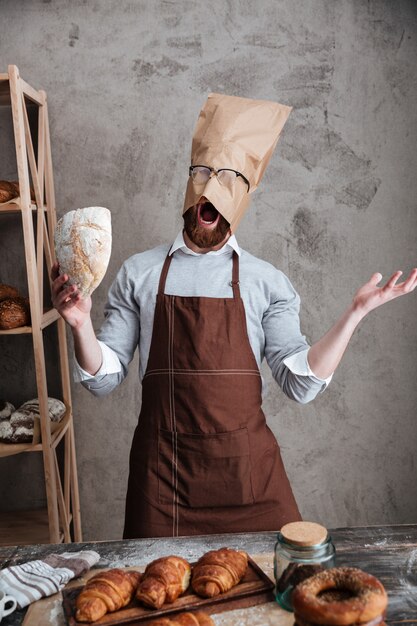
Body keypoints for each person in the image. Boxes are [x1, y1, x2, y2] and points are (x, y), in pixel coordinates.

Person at [51, 93, 417, 539]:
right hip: (162, 483)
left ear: (243, 197)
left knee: (278, 591)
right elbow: (105, 378)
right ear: (189, 182)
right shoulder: (140, 273)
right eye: (202, 173)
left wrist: (355, 314)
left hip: (250, 483)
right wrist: (80, 324)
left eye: (225, 179)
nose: (209, 188)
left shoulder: (267, 281)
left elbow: (299, 382)